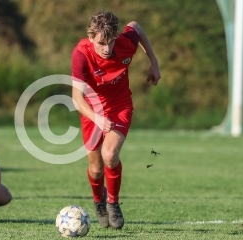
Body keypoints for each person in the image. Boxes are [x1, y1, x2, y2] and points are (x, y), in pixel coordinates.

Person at [71, 11, 161, 229]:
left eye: (111, 42)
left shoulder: (124, 44)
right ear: (91, 37)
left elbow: (136, 27)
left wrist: (154, 62)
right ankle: (98, 202)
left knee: (109, 155)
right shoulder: (81, 54)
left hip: (120, 107)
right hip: (92, 111)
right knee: (96, 169)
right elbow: (76, 99)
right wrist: (98, 119)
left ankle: (112, 203)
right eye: (101, 43)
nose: (107, 48)